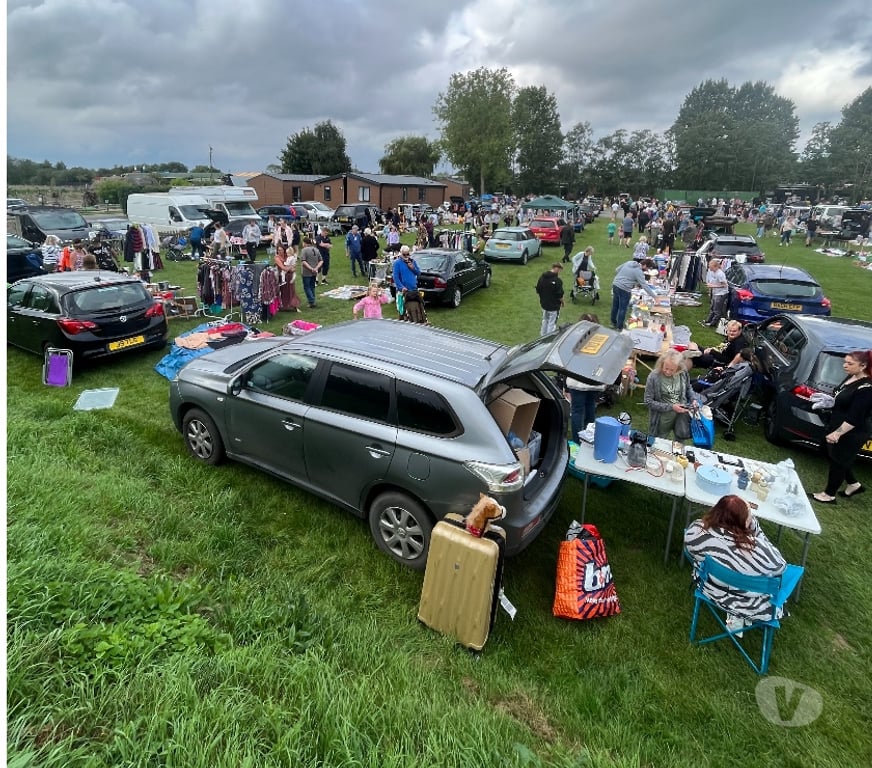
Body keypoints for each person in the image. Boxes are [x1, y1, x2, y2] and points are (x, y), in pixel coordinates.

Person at [684, 495, 787, 629]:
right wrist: (755, 530)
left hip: (711, 588)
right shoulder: (756, 550)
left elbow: (691, 549)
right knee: (778, 580)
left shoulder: (697, 533)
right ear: (744, 522)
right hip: (751, 605)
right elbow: (781, 566)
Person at [810, 350, 872, 503]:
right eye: (845, 362)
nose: (845, 365)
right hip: (836, 423)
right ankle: (853, 484)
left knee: (839, 460)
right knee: (827, 450)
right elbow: (843, 396)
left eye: (850, 363)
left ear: (863, 366)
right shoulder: (852, 376)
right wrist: (831, 401)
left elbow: (855, 417)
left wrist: (837, 433)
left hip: (852, 431)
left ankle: (829, 495)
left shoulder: (866, 388)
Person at [566, 312, 605, 439]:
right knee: (590, 408)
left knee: (577, 411)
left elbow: (567, 362)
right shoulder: (603, 341)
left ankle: (577, 440)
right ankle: (588, 439)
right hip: (593, 382)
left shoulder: (574, 341)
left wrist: (565, 387)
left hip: (577, 383)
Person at [644, 348, 695, 439]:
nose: (668, 372)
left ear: (678, 368)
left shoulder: (683, 372)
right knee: (657, 442)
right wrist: (672, 407)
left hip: (681, 415)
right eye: (666, 368)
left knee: (679, 442)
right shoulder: (654, 377)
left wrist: (693, 399)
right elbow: (648, 401)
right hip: (662, 418)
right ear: (662, 363)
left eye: (672, 370)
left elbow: (688, 388)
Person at [610, 258, 656, 330]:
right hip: (624, 289)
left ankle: (613, 323)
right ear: (645, 265)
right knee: (623, 308)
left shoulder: (629, 262)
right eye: (647, 268)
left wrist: (627, 277)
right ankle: (619, 327)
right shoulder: (638, 272)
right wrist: (655, 296)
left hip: (615, 284)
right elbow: (644, 285)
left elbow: (617, 269)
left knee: (615, 306)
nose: (647, 270)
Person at [535, 263, 565, 336]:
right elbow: (559, 295)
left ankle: (542, 336)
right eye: (560, 270)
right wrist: (563, 302)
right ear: (557, 269)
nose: (560, 272)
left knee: (545, 320)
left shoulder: (542, 277)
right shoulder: (557, 281)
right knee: (551, 323)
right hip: (554, 306)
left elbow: (538, 289)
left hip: (544, 304)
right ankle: (548, 338)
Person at [392, 244, 420, 317]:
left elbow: (418, 273)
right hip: (403, 291)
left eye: (408, 254)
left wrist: (413, 268)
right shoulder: (397, 263)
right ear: (401, 254)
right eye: (405, 255)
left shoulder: (412, 261)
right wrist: (401, 287)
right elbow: (396, 278)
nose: (407, 256)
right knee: (402, 311)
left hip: (413, 289)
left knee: (414, 310)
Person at [274, 243, 301, 312]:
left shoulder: (288, 256)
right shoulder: (277, 258)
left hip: (290, 276)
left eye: (281, 250)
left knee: (291, 291)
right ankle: (283, 305)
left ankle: (293, 304)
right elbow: (283, 268)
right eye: (279, 250)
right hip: (282, 276)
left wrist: (292, 268)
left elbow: (294, 265)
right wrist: (291, 267)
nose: (280, 252)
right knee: (283, 291)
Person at [702, 258, 729, 327]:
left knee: (717, 310)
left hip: (721, 294)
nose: (709, 268)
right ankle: (708, 320)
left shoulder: (720, 274)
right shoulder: (713, 272)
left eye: (710, 267)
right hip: (715, 293)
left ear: (715, 266)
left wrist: (712, 285)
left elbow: (725, 285)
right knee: (712, 308)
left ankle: (713, 323)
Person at [299, 236, 323, 309]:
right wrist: (316, 268)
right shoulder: (316, 250)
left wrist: (311, 268)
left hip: (307, 272)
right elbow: (321, 260)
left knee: (307, 287)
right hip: (314, 272)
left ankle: (311, 300)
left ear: (305, 243)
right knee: (312, 286)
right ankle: (312, 301)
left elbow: (303, 261)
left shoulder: (304, 250)